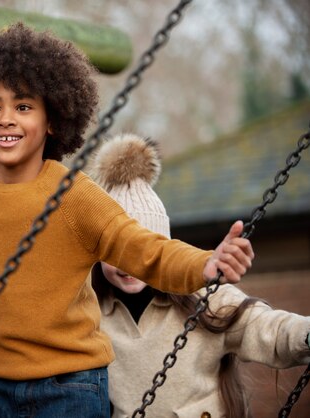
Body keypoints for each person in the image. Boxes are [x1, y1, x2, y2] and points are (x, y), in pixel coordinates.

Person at [0, 23, 254, 417]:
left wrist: (205, 263)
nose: (6, 118)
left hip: (71, 387)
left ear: (52, 119)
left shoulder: (75, 196)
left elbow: (144, 250)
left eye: (23, 107)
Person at [88, 132, 310, 418]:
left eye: (142, 253)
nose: (129, 265)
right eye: (117, 253)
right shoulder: (91, 312)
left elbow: (269, 329)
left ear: (163, 251)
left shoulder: (205, 298)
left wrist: (305, 333)